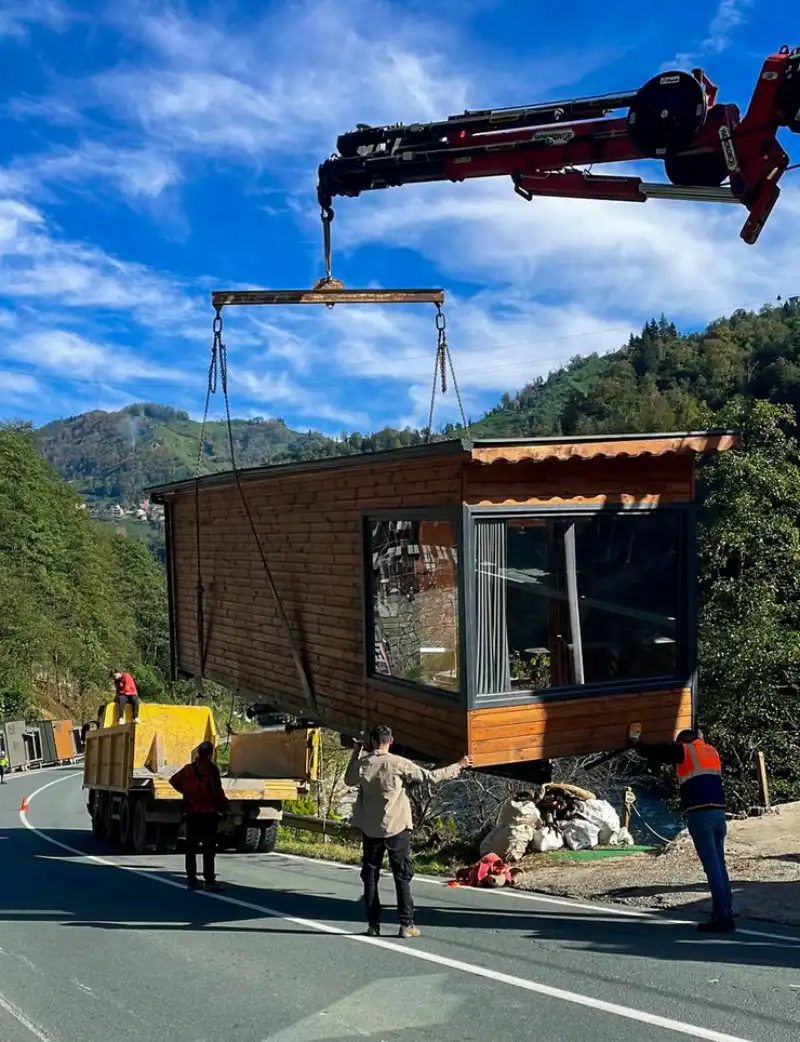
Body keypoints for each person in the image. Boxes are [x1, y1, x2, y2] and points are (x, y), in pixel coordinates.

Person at [345, 724, 474, 939]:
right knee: (401, 877)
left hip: (371, 828)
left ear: (371, 741)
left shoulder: (363, 764)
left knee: (370, 877)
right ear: (391, 741)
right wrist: (458, 765)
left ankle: (373, 924)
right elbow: (430, 777)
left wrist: (356, 751)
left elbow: (348, 780)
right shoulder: (398, 763)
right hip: (397, 827)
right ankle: (406, 924)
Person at [630, 727, 734, 933]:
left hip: (700, 814)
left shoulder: (685, 751)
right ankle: (725, 911)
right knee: (720, 865)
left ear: (683, 741)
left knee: (712, 866)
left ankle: (722, 917)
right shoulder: (711, 751)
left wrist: (636, 742)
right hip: (718, 814)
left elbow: (657, 752)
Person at [170, 741, 229, 891]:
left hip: (191, 812)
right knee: (209, 848)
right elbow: (217, 790)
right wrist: (223, 804)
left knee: (191, 847)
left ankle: (192, 880)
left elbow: (173, 781)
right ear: (210, 753)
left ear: (198, 753)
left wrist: (186, 793)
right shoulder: (212, 769)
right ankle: (209, 880)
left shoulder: (188, 769)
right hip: (209, 813)